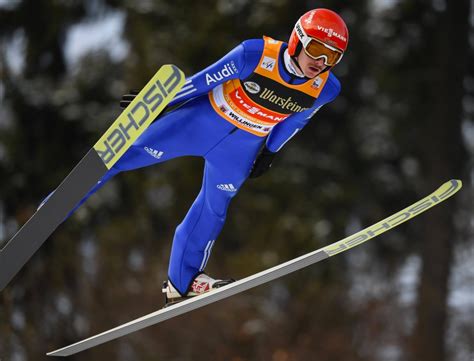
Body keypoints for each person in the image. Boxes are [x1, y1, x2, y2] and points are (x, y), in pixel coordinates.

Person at [79, 8, 349, 305]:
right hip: (200, 123)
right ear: (297, 40)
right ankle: (56, 204)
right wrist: (160, 102)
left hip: (240, 149)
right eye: (316, 49)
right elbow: (202, 81)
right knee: (124, 153)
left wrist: (270, 152)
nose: (321, 62)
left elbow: (296, 121)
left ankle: (182, 281)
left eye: (332, 56)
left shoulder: (326, 88)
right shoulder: (255, 54)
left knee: (214, 207)